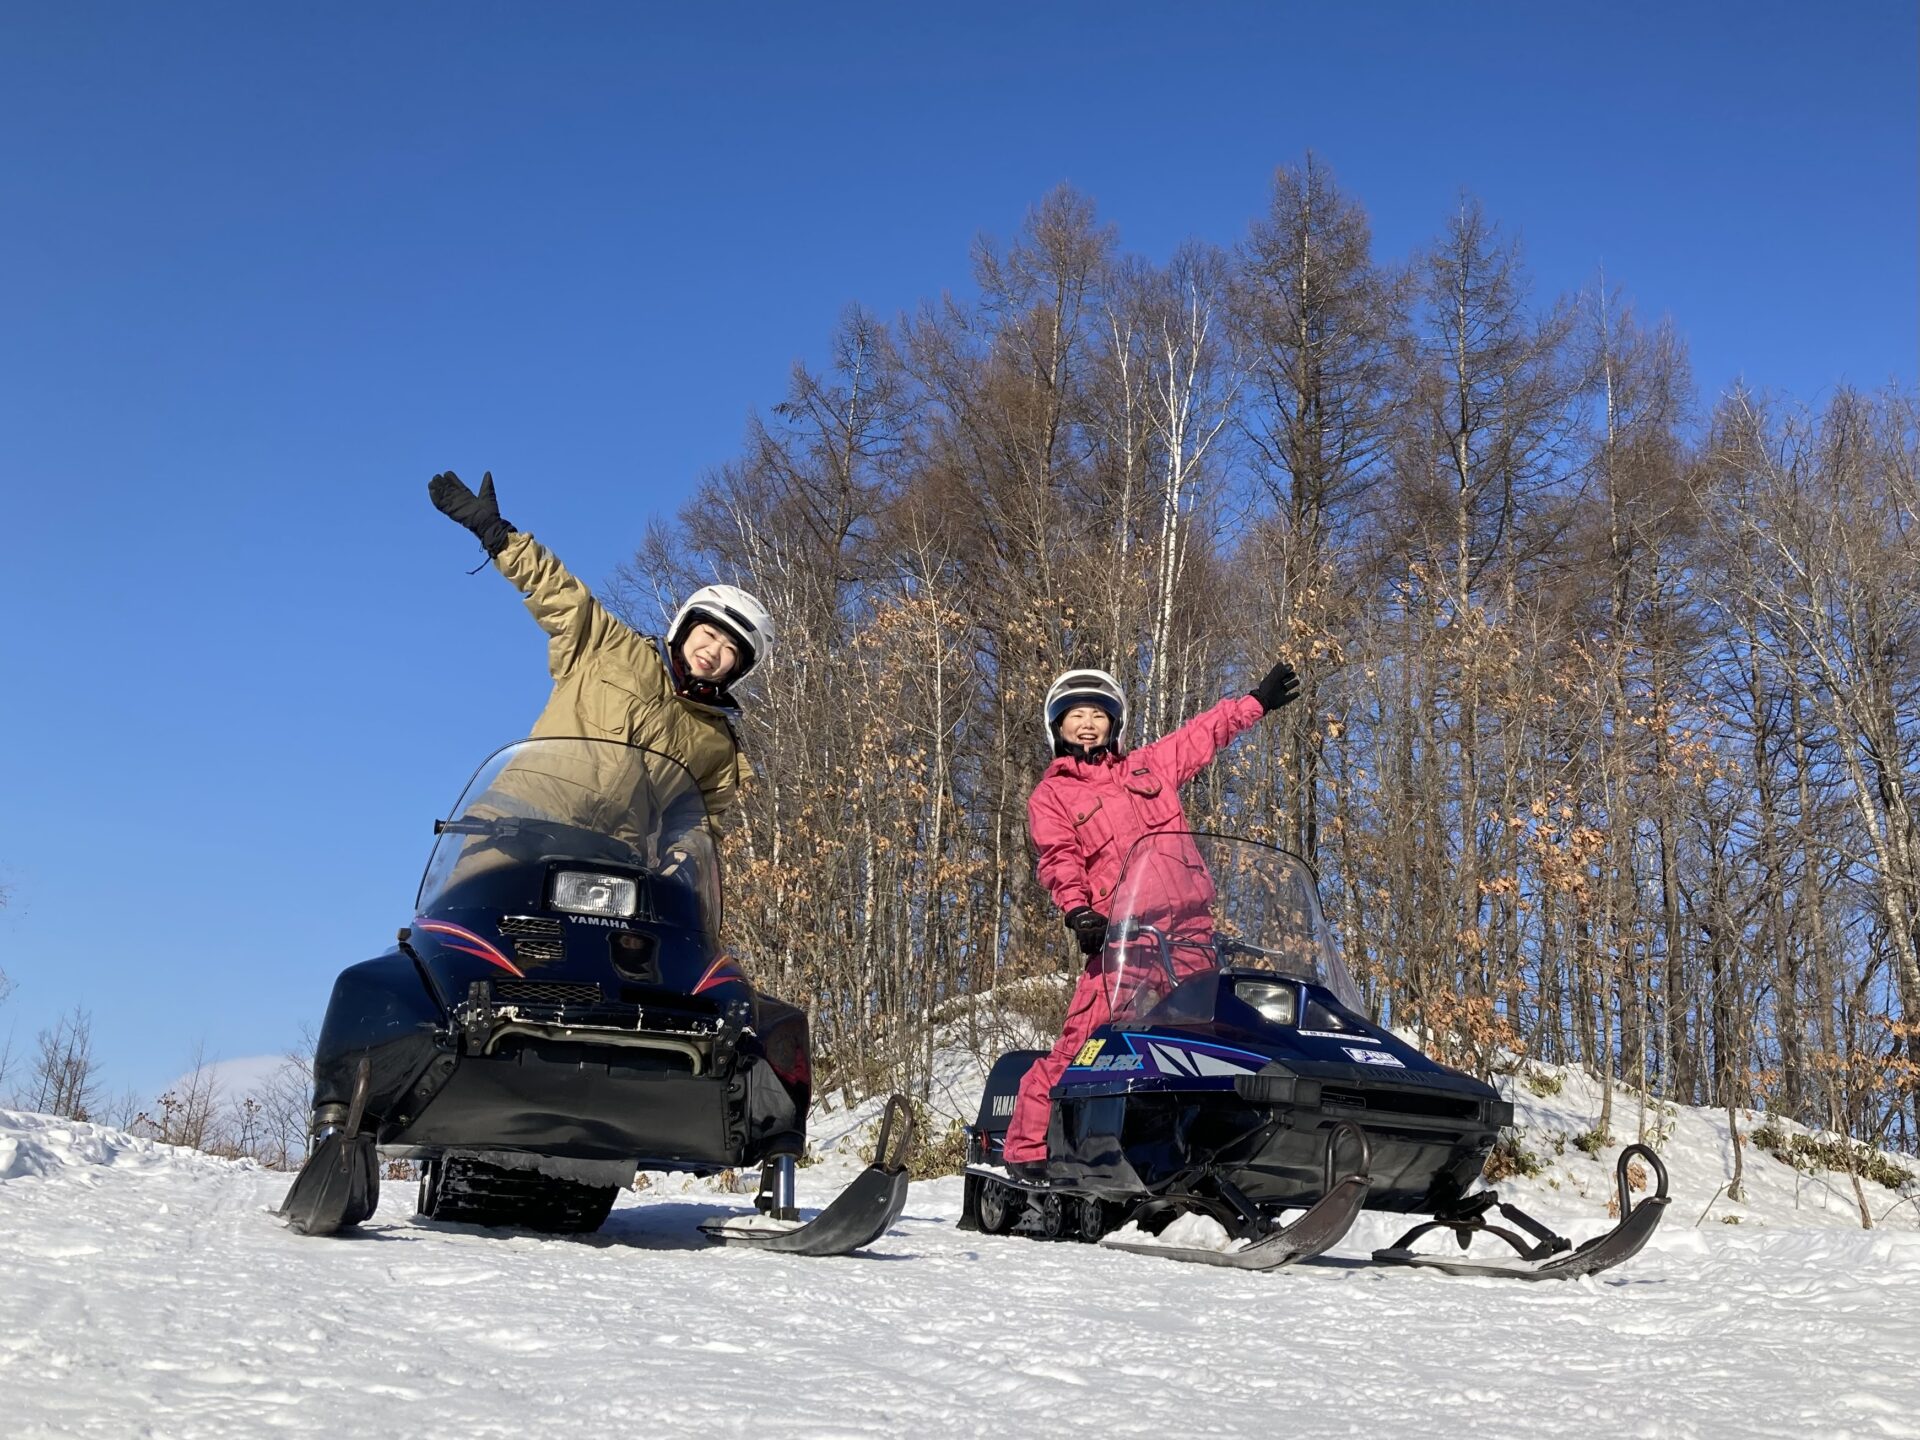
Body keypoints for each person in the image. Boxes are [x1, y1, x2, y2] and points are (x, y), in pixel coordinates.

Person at [998, 660, 1302, 1176]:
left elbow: (1201, 735)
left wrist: (1255, 702)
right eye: (1076, 716)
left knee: (1216, 1045)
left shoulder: (1150, 767)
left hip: (1192, 936)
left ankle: (1212, 1157)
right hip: (1125, 940)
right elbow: (1059, 858)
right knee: (1085, 1042)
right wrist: (1078, 911)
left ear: (1114, 722)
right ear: (1058, 727)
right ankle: (1027, 1155)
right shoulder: (1053, 795)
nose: (1088, 723)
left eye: (1098, 713)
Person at [427, 470, 770, 822]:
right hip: (517, 820)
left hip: (612, 862)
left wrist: (680, 869)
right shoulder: (611, 646)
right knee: (476, 873)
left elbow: (698, 826)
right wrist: (497, 535)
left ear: (739, 670)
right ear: (685, 626)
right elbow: (559, 594)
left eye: (731, 650)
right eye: (710, 635)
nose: (714, 651)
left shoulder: (719, 747)